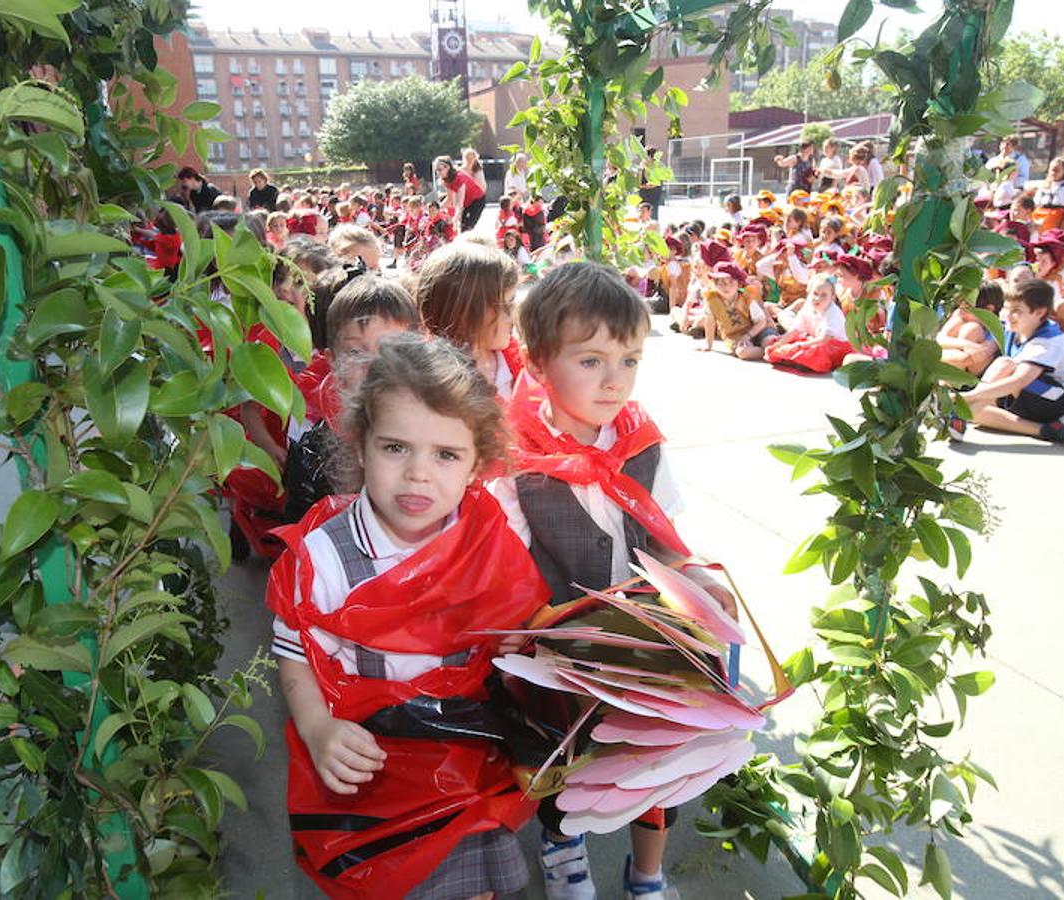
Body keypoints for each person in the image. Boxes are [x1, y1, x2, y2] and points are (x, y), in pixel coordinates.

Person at [488, 261, 737, 900]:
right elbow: (509, 569)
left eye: (629, 361)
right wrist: (534, 634)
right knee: (566, 756)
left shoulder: (641, 442)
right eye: (592, 360)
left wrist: (697, 583)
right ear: (539, 364)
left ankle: (647, 871)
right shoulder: (513, 455)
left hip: (644, 634)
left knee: (658, 748)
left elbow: (664, 537)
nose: (614, 381)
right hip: (559, 644)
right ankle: (563, 845)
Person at [269, 334, 549, 900]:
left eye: (446, 455)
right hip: (371, 768)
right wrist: (318, 727)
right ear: (361, 444)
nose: (420, 474)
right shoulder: (325, 556)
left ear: (477, 464)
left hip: (463, 762)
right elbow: (296, 651)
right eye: (397, 448)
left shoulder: (485, 539)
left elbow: (512, 627)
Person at [282, 277, 424, 523]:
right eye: (356, 352)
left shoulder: (433, 431)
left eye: (391, 351)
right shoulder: (312, 452)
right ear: (332, 361)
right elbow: (301, 529)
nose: (373, 367)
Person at [949, 278, 1064, 444]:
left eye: (1016, 310)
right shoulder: (1015, 328)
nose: (1008, 316)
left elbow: (1020, 380)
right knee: (975, 410)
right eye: (1007, 309)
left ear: (1039, 312)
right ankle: (1051, 431)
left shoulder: (1049, 340)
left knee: (1005, 364)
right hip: (1036, 396)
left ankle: (962, 405)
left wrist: (969, 395)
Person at [415, 241, 522, 399]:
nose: (513, 312)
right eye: (506, 303)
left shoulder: (515, 359)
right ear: (463, 314)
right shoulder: (439, 385)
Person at [764, 274, 854, 374]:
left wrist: (800, 345)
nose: (817, 298)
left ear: (832, 297)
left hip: (834, 346)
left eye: (823, 295)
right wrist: (781, 343)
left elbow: (824, 339)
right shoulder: (808, 307)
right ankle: (794, 359)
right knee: (779, 344)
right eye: (815, 293)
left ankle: (799, 360)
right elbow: (795, 330)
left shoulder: (833, 312)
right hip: (814, 340)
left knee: (815, 350)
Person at [700, 261, 777, 359]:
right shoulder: (712, 300)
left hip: (760, 329)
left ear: (739, 284)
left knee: (769, 342)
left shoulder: (746, 298)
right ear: (714, 283)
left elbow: (761, 322)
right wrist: (708, 344)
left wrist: (748, 336)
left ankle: (770, 349)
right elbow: (710, 322)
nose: (726, 287)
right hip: (736, 336)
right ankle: (767, 353)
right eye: (721, 282)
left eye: (731, 282)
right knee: (743, 352)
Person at [938, 281, 1004, 376]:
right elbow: (939, 339)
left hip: (977, 377)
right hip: (951, 368)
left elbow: (965, 359)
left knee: (972, 329)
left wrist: (932, 357)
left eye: (967, 306)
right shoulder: (960, 314)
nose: (961, 310)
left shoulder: (998, 330)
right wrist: (966, 344)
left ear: (988, 310)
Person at [435, 155, 487, 233]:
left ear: (448, 167)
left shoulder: (459, 177)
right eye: (436, 170)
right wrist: (436, 209)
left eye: (440, 169)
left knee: (467, 227)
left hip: (477, 200)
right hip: (467, 202)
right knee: (462, 227)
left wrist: (456, 216)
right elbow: (449, 199)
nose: (438, 172)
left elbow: (460, 203)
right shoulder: (446, 179)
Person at [1033, 157, 1064, 233]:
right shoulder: (1045, 185)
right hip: (1040, 214)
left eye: (1057, 170)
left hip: (1055, 216)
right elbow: (1037, 203)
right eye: (1052, 170)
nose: (1054, 173)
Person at [638, 146, 664, 220]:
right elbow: (638, 180)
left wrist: (642, 186)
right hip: (643, 194)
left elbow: (655, 184)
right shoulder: (642, 165)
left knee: (652, 213)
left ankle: (652, 228)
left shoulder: (658, 166)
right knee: (641, 212)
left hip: (653, 194)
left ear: (650, 156)